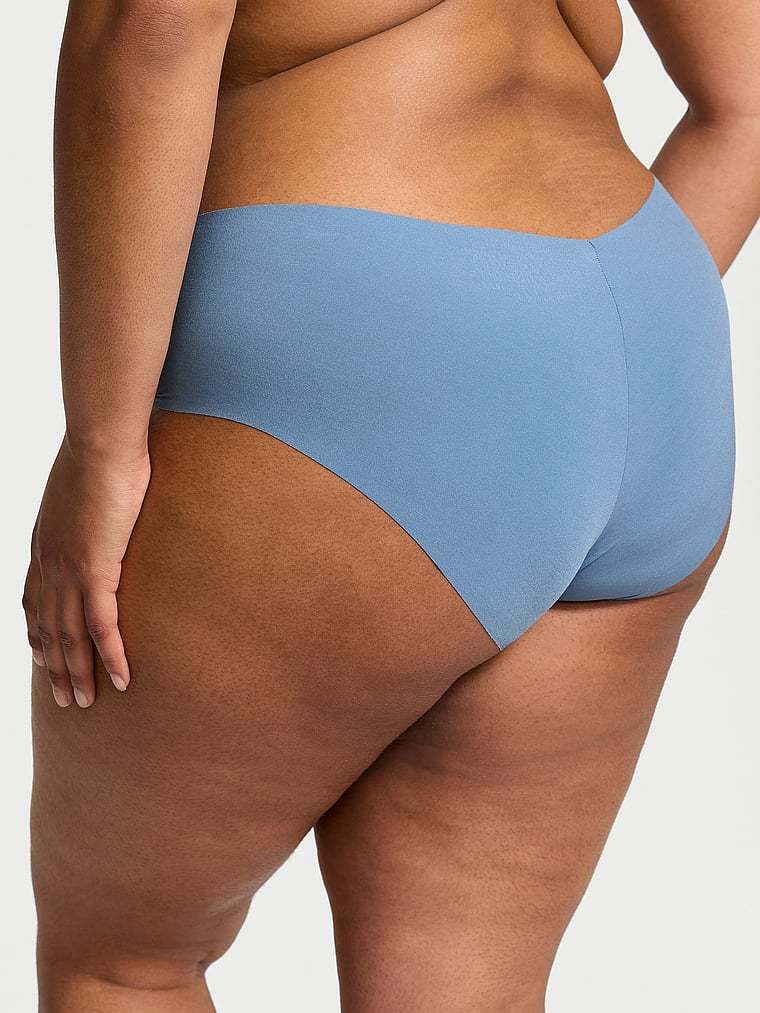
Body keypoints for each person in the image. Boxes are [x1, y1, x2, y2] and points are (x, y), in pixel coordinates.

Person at [23, 1, 759, 1010]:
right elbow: (747, 99)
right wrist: (545, 366)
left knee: (123, 963)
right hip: (651, 334)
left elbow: (153, 24)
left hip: (366, 322)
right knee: (462, 988)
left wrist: (102, 453)